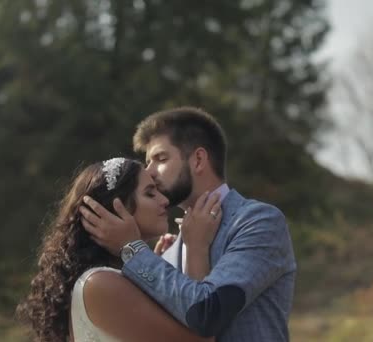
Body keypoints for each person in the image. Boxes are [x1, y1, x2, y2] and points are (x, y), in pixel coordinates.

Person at [81, 107, 296, 341]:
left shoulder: (257, 222)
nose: (149, 172)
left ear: (198, 160)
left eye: (161, 159)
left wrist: (132, 248)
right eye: (148, 162)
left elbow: (208, 314)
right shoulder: (166, 251)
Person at [16, 158, 222, 342]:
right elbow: (201, 337)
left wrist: (151, 264)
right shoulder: (99, 283)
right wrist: (197, 247)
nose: (165, 200)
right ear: (115, 210)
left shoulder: (113, 279)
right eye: (150, 193)